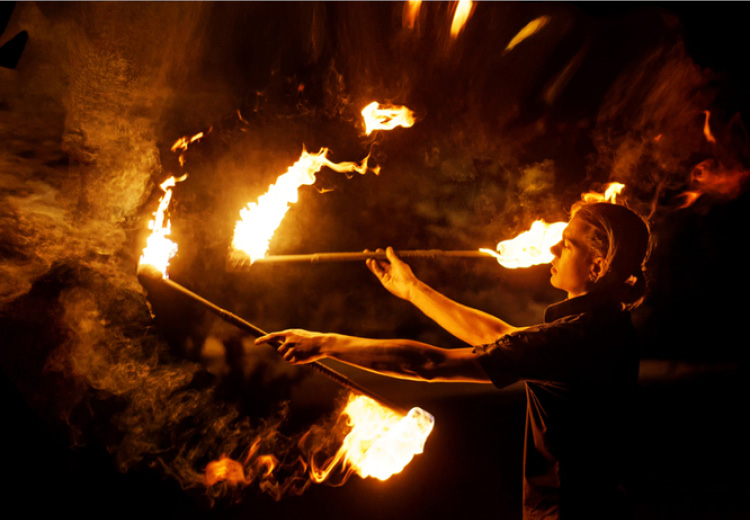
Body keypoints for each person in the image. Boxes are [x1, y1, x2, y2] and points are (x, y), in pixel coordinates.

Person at [256, 201, 651, 520]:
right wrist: (412, 289)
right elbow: (498, 337)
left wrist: (326, 343)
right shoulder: (604, 326)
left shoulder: (576, 338)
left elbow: (429, 364)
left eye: (567, 244)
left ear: (598, 266)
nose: (553, 249)